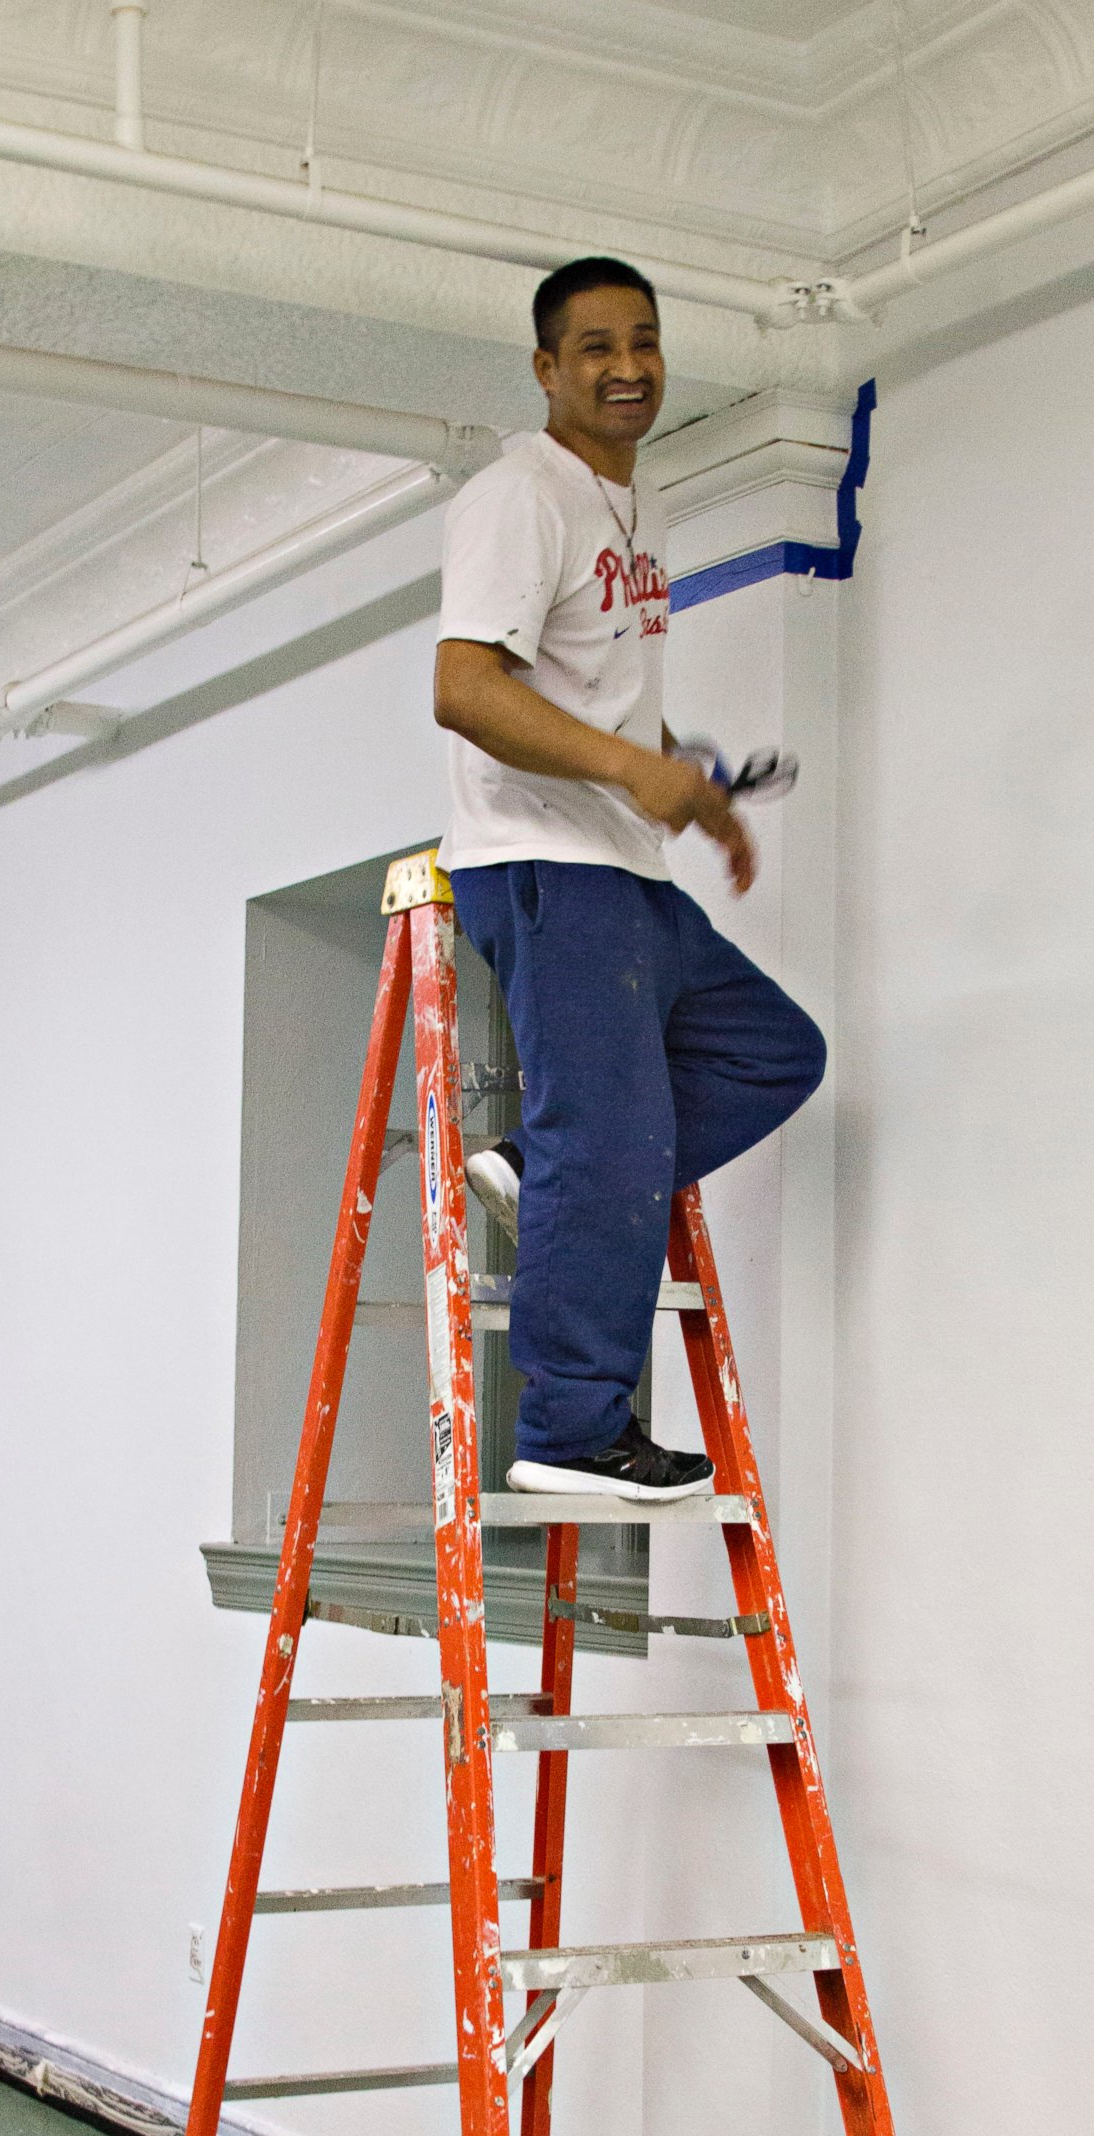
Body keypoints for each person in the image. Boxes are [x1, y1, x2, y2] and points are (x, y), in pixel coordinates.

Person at [434, 255, 826, 1502]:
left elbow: (586, 691)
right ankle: (569, 1425)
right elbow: (466, 690)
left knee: (774, 1050)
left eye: (644, 342)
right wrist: (629, 771)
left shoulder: (634, 508)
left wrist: (688, 789)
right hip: (544, 864)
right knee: (609, 1134)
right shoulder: (518, 498)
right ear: (547, 368)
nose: (626, 367)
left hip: (625, 864)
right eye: (594, 346)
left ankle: (543, 1171)